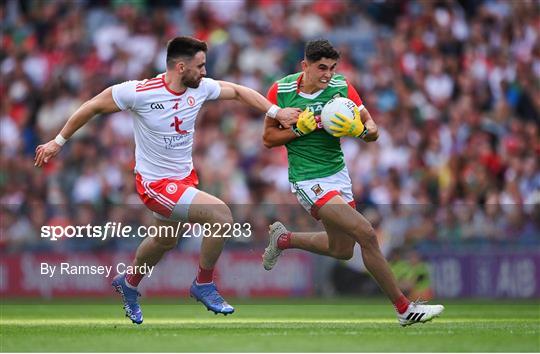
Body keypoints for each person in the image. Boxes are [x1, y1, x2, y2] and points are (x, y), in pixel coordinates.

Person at [34, 36, 301, 325]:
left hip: (183, 180)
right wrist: (58, 142)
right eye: (200, 66)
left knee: (165, 239)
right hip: (155, 185)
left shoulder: (199, 89)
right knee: (221, 216)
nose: (205, 72)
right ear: (181, 66)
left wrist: (276, 112)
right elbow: (92, 106)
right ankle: (204, 283)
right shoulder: (139, 92)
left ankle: (130, 281)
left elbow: (237, 91)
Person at [261, 39, 444, 326]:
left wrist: (360, 130)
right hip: (308, 179)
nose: (327, 74)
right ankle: (404, 308)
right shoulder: (280, 90)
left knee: (342, 249)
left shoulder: (341, 87)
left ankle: (284, 239)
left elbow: (372, 129)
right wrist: (298, 129)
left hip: (338, 175)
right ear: (304, 66)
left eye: (332, 68)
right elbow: (268, 139)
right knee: (366, 233)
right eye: (322, 68)